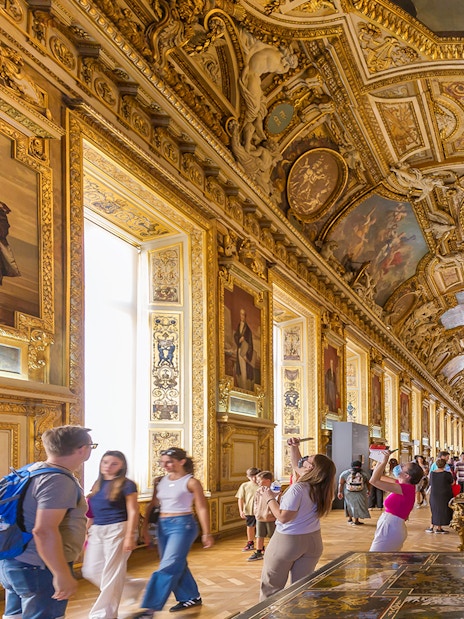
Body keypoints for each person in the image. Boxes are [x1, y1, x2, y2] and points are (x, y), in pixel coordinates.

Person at [0, 425, 95, 619]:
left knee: (14, 616)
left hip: (14, 560)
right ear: (83, 449)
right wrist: (60, 573)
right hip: (39, 566)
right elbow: (44, 531)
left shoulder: (31, 471)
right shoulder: (57, 481)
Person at [133, 447, 214, 617]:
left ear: (182, 461)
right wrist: (145, 527)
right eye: (163, 463)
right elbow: (153, 504)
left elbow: (201, 507)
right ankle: (190, 596)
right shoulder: (160, 481)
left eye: (169, 462)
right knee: (176, 562)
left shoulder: (191, 482)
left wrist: (207, 532)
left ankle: (149, 609)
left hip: (183, 525)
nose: (165, 465)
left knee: (169, 564)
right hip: (163, 525)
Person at [258, 437, 336, 601]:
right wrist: (294, 447)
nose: (305, 459)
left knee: (271, 589)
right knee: (301, 590)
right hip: (313, 541)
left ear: (311, 468)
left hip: (288, 541)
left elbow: (283, 517)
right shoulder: (323, 487)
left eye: (309, 459)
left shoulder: (298, 488)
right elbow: (296, 465)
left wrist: (269, 498)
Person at [82, 450, 139, 619]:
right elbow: (91, 513)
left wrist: (129, 536)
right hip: (97, 530)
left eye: (114, 463)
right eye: (105, 462)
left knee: (111, 573)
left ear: (122, 466)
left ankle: (104, 614)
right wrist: (86, 531)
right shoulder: (96, 484)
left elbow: (133, 511)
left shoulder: (127, 484)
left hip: (118, 528)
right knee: (91, 570)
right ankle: (132, 587)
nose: (108, 466)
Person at [369, 450, 424, 551]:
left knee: (375, 559)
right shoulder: (401, 485)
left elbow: (373, 481)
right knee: (383, 560)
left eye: (403, 467)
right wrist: (380, 460)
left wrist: (385, 461)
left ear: (407, 475)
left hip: (391, 527)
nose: (400, 466)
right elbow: (378, 476)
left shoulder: (405, 488)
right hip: (391, 525)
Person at [247, 471, 280, 562]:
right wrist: (256, 512)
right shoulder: (258, 491)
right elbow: (256, 502)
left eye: (259, 480)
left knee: (272, 535)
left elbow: (277, 503)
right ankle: (259, 551)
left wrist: (274, 514)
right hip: (260, 517)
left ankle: (274, 551)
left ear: (267, 481)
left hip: (271, 517)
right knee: (259, 535)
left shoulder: (275, 491)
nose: (257, 482)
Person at [235, 466, 260, 552]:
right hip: (249, 510)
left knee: (260, 528)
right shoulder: (244, 485)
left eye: (255, 476)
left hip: (260, 511)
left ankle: (260, 544)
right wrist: (241, 510)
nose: (254, 478)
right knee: (250, 527)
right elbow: (240, 499)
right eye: (251, 476)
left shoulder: (262, 485)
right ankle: (250, 542)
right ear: (248, 477)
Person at [425, 457, 454, 534]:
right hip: (445, 495)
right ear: (445, 465)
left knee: (435, 510)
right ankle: (437, 528)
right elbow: (452, 483)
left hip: (434, 494)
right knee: (442, 510)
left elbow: (430, 483)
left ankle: (435, 527)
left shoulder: (432, 473)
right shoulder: (447, 474)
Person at [338, 460, 371, 525]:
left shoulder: (345, 473)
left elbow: (341, 483)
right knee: (357, 506)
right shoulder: (364, 473)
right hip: (360, 492)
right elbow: (368, 483)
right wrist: (369, 490)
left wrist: (340, 492)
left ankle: (350, 519)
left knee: (349, 505)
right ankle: (356, 520)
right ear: (360, 466)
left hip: (348, 492)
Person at [234, 308, 254, 390]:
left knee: (244, 369)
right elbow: (235, 336)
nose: (241, 316)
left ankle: (245, 388)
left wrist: (247, 355)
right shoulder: (239, 326)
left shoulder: (248, 330)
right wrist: (239, 339)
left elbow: (250, 343)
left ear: (245, 316)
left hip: (245, 353)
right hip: (239, 350)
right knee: (240, 370)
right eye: (240, 314)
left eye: (243, 314)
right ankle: (241, 387)